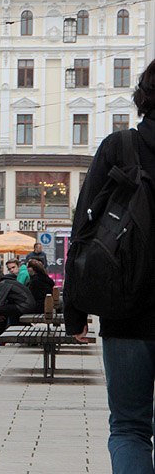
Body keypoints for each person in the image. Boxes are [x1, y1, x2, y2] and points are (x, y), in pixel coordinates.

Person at [64, 58, 155, 472]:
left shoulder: (120, 147)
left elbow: (84, 229)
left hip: (126, 313)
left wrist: (75, 311)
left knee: (130, 429)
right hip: (127, 316)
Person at [0, 259, 36, 346]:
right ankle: (2, 339)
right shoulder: (10, 280)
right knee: (8, 314)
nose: (11, 270)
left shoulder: (4, 283)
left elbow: (0, 302)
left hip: (24, 306)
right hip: (27, 305)